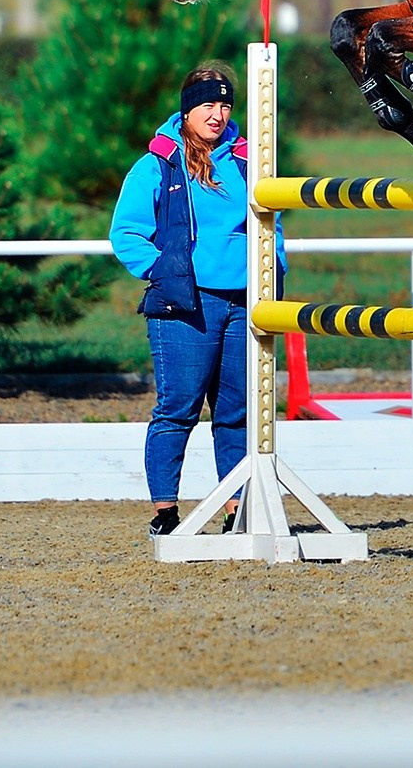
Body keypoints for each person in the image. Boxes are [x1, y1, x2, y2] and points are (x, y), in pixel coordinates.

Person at [107, 62, 284, 536]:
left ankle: (237, 513)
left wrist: (274, 272)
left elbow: (273, 227)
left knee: (236, 415)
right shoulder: (156, 167)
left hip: (244, 304)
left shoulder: (250, 162)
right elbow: (125, 234)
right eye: (207, 104)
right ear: (187, 111)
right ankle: (165, 513)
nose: (218, 114)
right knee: (177, 409)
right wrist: (168, 274)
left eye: (225, 104)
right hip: (184, 308)